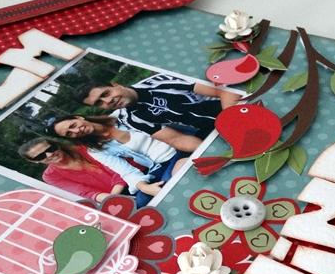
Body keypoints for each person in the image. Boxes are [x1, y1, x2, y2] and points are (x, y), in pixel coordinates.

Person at [45, 114, 189, 206]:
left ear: (78, 117)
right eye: (69, 134)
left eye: (73, 125)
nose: (76, 131)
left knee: (171, 180)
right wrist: (145, 187)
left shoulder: (121, 117)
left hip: (173, 151)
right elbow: (125, 171)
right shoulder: (95, 149)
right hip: (157, 165)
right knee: (142, 201)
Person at [81, 73, 239, 150]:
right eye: (99, 103)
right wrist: (213, 151)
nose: (108, 101)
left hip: (231, 110)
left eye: (106, 93)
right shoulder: (130, 119)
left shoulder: (159, 81)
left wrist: (233, 123)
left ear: (116, 85)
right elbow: (177, 140)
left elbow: (224, 91)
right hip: (211, 130)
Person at [17, 138, 163, 204]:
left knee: (145, 200)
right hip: (116, 197)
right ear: (34, 161)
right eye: (41, 156)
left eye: (50, 148)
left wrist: (116, 196)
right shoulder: (51, 176)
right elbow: (85, 193)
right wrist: (116, 200)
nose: (50, 154)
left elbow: (120, 167)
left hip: (138, 177)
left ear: (56, 145)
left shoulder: (83, 148)